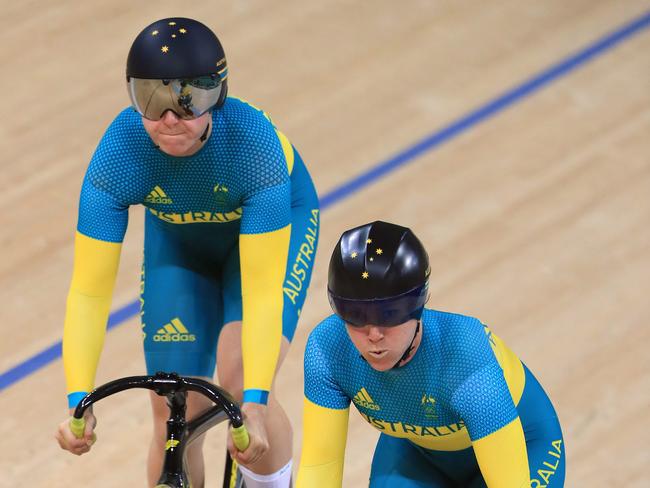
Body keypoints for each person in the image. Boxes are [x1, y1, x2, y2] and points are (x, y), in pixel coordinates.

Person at [54, 17, 319, 488]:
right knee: (172, 407)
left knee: (238, 386)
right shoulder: (118, 155)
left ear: (218, 95)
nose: (170, 119)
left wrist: (255, 402)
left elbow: (260, 294)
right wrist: (79, 398)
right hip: (180, 244)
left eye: (187, 100)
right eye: (151, 101)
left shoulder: (252, 146)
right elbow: (89, 293)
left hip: (267, 234)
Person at [296, 221, 565, 487]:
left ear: (418, 305)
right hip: (419, 455)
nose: (374, 334)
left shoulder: (463, 353)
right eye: (355, 317)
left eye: (389, 315)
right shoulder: (328, 348)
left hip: (526, 448)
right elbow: (320, 467)